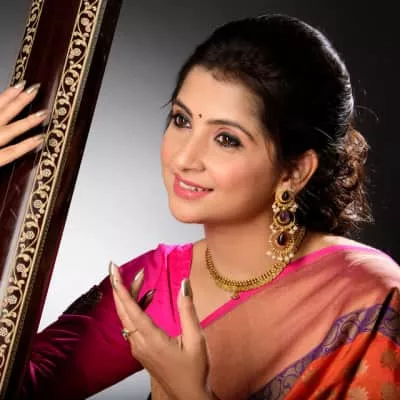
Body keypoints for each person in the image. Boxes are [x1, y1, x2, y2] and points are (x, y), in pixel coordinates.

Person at [1, 13, 399, 400]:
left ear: (295, 171)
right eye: (181, 120)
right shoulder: (156, 284)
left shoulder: (372, 299)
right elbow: (18, 386)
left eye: (226, 139)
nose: (184, 158)